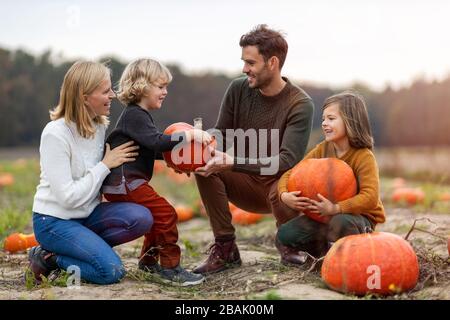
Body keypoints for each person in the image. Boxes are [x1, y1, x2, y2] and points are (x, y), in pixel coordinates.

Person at [193, 24, 315, 274]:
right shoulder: (238, 89)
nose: (244, 69)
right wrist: (204, 143)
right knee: (203, 165)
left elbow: (286, 160)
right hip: (246, 184)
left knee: (288, 181)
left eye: (250, 62)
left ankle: (289, 242)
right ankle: (226, 248)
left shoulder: (300, 104)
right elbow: (222, 132)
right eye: (243, 62)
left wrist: (232, 162)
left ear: (272, 62)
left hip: (280, 190)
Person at [28, 61, 153, 285]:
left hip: (87, 215)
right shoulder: (55, 134)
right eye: (106, 91)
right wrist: (105, 165)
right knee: (111, 271)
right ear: (84, 97)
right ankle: (51, 257)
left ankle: (83, 247)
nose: (113, 95)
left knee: (141, 217)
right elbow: (68, 198)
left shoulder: (99, 127)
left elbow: (125, 158)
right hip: (55, 221)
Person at [102, 58, 210, 286]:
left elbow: (151, 148)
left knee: (154, 218)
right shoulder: (134, 115)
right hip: (125, 182)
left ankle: (148, 263)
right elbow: (157, 141)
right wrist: (190, 136)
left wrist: (177, 162)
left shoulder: (138, 116)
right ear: (142, 86)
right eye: (160, 87)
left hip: (127, 182)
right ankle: (171, 268)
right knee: (166, 214)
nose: (165, 92)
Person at [277, 91, 386, 258]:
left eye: (331, 119)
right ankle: (320, 251)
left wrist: (336, 208)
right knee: (286, 234)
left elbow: (370, 197)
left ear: (351, 121)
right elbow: (291, 173)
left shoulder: (363, 156)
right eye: (323, 119)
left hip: (357, 218)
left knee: (340, 222)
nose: (324, 123)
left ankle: (345, 251)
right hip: (323, 216)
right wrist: (285, 195)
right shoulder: (323, 149)